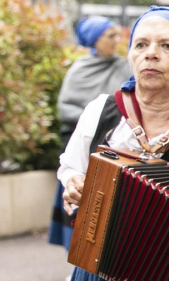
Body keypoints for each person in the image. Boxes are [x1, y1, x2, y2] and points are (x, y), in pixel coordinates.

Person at [54, 6, 169, 281]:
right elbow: (71, 167)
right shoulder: (104, 111)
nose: (151, 54)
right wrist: (73, 185)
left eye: (168, 47)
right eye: (141, 44)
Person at [48, 16, 130, 251]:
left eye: (117, 35)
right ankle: (73, 253)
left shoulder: (123, 65)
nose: (116, 40)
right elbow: (66, 108)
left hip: (115, 142)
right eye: (110, 36)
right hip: (80, 141)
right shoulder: (78, 70)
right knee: (76, 197)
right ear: (95, 40)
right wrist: (94, 119)